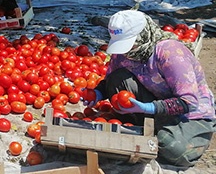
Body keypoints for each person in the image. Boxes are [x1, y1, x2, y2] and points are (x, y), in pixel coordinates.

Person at [86, 10, 216, 168]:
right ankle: (143, 127)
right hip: (155, 107)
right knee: (117, 78)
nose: (126, 51)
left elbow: (188, 102)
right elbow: (110, 80)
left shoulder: (170, 53)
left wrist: (149, 108)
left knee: (172, 149)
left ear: (143, 34)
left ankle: (185, 137)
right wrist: (98, 93)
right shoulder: (123, 53)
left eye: (130, 43)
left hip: (189, 115)